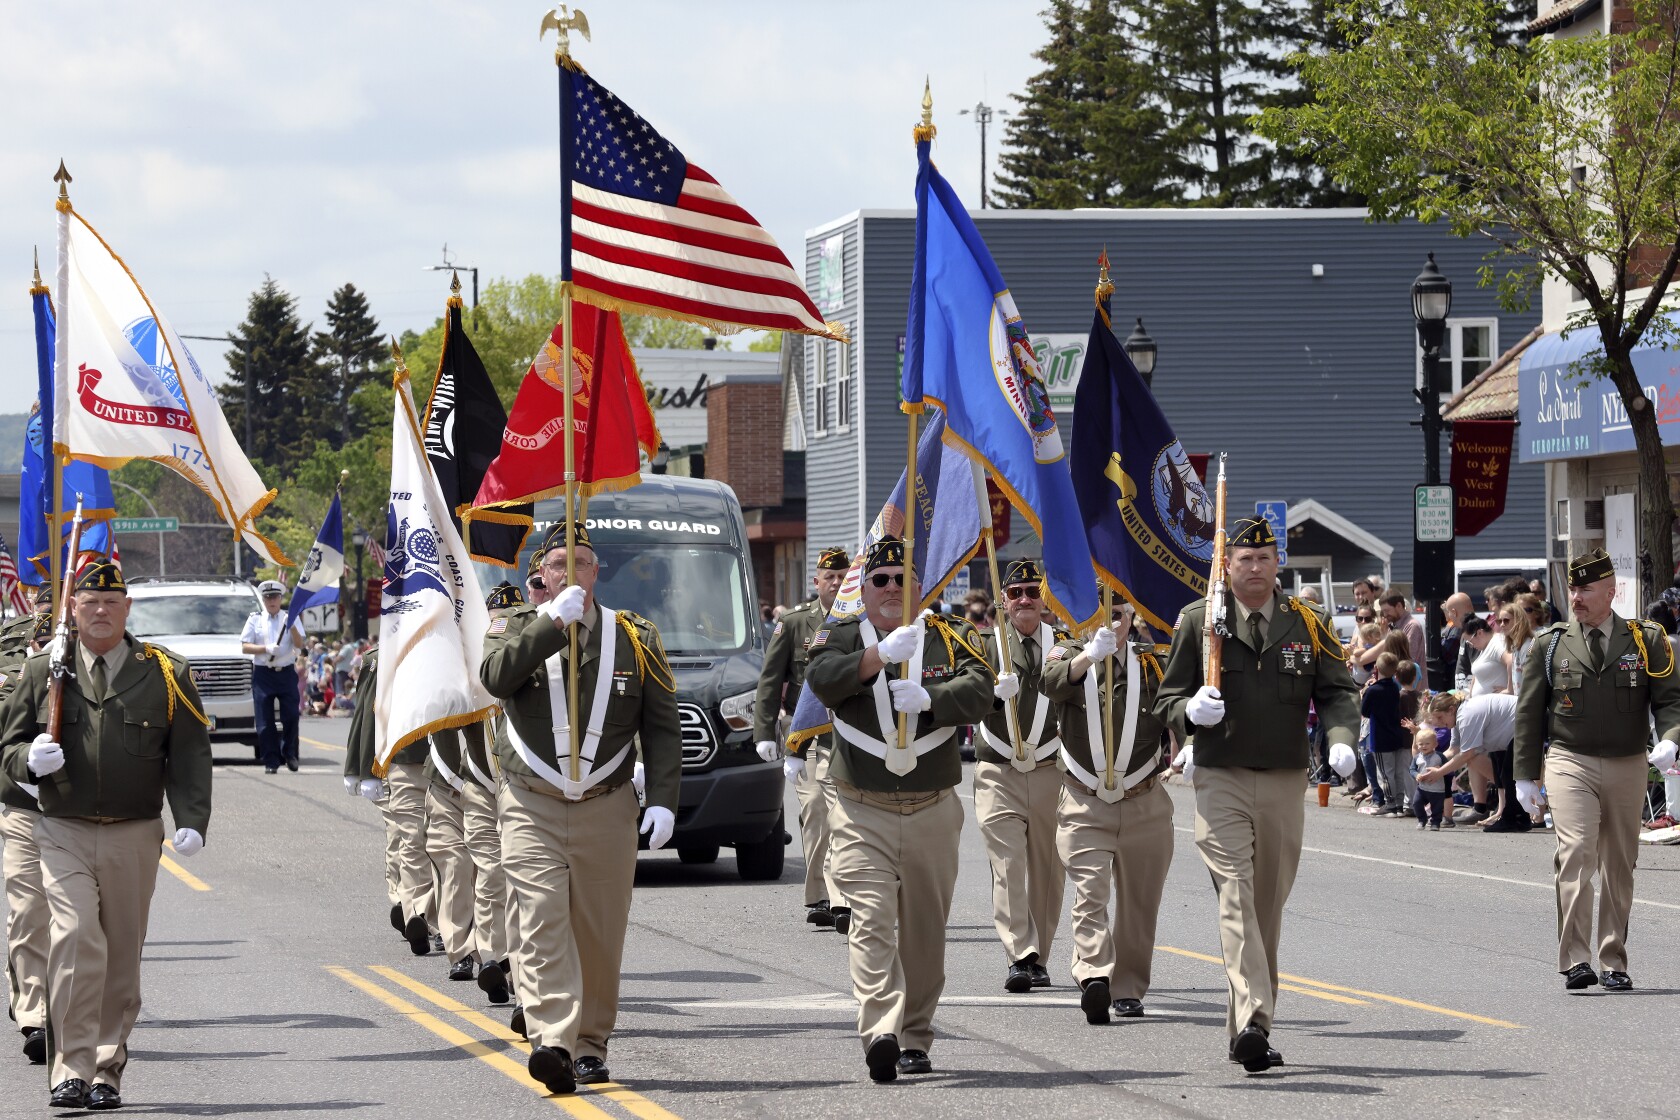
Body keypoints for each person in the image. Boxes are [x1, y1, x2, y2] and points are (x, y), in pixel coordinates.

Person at [0, 558, 211, 1110]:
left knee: (120, 954)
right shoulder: (44, 669)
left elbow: (189, 753)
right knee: (75, 940)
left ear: (126, 609)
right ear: (72, 607)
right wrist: (28, 761)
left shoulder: (164, 672)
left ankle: (106, 1070)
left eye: (111, 602)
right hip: (63, 829)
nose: (100, 611)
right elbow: (7, 749)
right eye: (90, 602)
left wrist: (192, 819)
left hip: (133, 832)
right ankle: (69, 1069)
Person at [480, 521, 681, 1094]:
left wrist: (664, 800)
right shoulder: (514, 626)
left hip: (606, 802)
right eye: (558, 564)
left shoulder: (635, 636)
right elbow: (495, 677)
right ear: (541, 575)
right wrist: (550, 623)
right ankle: (553, 1041)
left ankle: (590, 1043)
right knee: (541, 919)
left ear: (597, 573)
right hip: (531, 802)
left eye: (583, 562)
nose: (571, 572)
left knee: (599, 932)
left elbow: (662, 725)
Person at [1154, 517, 1358, 1074]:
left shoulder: (1308, 623)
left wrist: (1342, 738)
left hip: (1284, 780)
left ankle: (1247, 1027)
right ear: (1227, 564)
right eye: (1244, 558)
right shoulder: (1202, 621)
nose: (1255, 567)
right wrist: (1189, 713)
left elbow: (1338, 691)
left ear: (1278, 563)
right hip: (1220, 775)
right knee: (1236, 895)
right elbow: (1167, 698)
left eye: (1265, 557)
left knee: (1265, 906)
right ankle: (1253, 1020)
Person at [802, 537, 993, 1083]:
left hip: (932, 807)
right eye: (880, 580)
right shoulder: (840, 635)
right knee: (869, 921)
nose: (891, 588)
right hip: (861, 808)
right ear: (863, 589)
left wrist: (934, 699)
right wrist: (877, 657)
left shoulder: (949, 636)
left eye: (901, 579)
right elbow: (822, 680)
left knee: (924, 933)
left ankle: (914, 1034)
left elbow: (981, 690)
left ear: (918, 587)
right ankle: (881, 1029)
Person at [1515, 547, 1680, 992]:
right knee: (1576, 852)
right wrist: (1524, 775)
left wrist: (1670, 738)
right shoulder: (1551, 644)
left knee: (1619, 863)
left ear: (1611, 591)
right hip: (1571, 760)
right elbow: (1528, 712)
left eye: (1586, 589)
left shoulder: (1645, 640)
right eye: (1573, 588)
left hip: (1628, 762)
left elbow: (1669, 701)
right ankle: (1576, 959)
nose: (1576, 597)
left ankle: (1613, 959)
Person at [1042, 604, 1176, 1025]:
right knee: (1091, 891)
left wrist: (1190, 746)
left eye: (1118, 613)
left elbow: (1177, 706)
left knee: (1140, 903)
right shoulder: (1067, 653)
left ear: (1133, 617)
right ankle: (1094, 974)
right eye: (1098, 612)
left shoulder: (1152, 663)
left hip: (1144, 798)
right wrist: (1089, 656)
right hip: (1085, 799)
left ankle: (1128, 988)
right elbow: (1051, 683)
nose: (1110, 622)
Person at [972, 558, 1066, 994]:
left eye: (1032, 592)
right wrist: (990, 695)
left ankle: (1039, 957)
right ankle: (1020, 954)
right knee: (1008, 864)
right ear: (1003, 601)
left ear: (1043, 599)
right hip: (998, 769)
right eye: (1016, 593)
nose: (1025, 600)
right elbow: (963, 694)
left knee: (1047, 869)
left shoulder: (1063, 645)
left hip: (1050, 769)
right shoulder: (984, 645)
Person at [753, 544, 850, 930]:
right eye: (830, 577)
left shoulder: (858, 620)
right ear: (817, 581)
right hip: (805, 734)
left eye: (843, 577)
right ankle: (819, 894)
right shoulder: (794, 623)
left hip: (847, 734)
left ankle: (840, 899)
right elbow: (770, 678)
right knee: (815, 812)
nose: (837, 583)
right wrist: (765, 732)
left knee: (843, 814)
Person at [0, 611, 53, 1065]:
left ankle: (74, 1011)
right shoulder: (17, 664)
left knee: (81, 924)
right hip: (24, 805)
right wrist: (30, 678)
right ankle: (35, 1017)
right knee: (29, 912)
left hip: (87, 813)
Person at [240, 578, 305, 773]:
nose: (271, 601)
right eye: (268, 597)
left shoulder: (290, 617)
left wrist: (291, 626)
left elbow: (300, 645)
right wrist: (265, 648)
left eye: (275, 597)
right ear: (263, 599)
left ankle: (289, 753)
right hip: (263, 674)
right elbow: (245, 647)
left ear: (280, 598)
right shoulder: (255, 619)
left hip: (285, 672)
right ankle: (271, 761)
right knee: (265, 721)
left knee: (291, 716)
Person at [1362, 653, 1413, 817]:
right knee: (1397, 773)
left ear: (1376, 668)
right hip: (1396, 735)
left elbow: (1365, 711)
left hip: (1380, 737)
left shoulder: (1373, 690)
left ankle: (1390, 804)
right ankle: (1399, 803)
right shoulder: (1395, 687)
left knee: (1385, 773)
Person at [1410, 729, 1447, 829]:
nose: (1424, 746)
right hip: (1422, 788)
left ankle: (1435, 822)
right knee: (1416, 803)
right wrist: (1416, 775)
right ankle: (1422, 820)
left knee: (1437, 807)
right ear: (1417, 745)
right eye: (1421, 744)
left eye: (1427, 743)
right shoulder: (1417, 757)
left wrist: (1440, 769)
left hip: (1437, 789)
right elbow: (1412, 769)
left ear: (1435, 744)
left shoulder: (1439, 756)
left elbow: (1448, 767)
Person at [1379, 592, 1425, 668]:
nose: (1385, 615)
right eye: (1383, 611)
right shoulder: (1392, 626)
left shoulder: (1412, 626)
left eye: (1387, 610)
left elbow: (1408, 660)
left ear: (1399, 606)